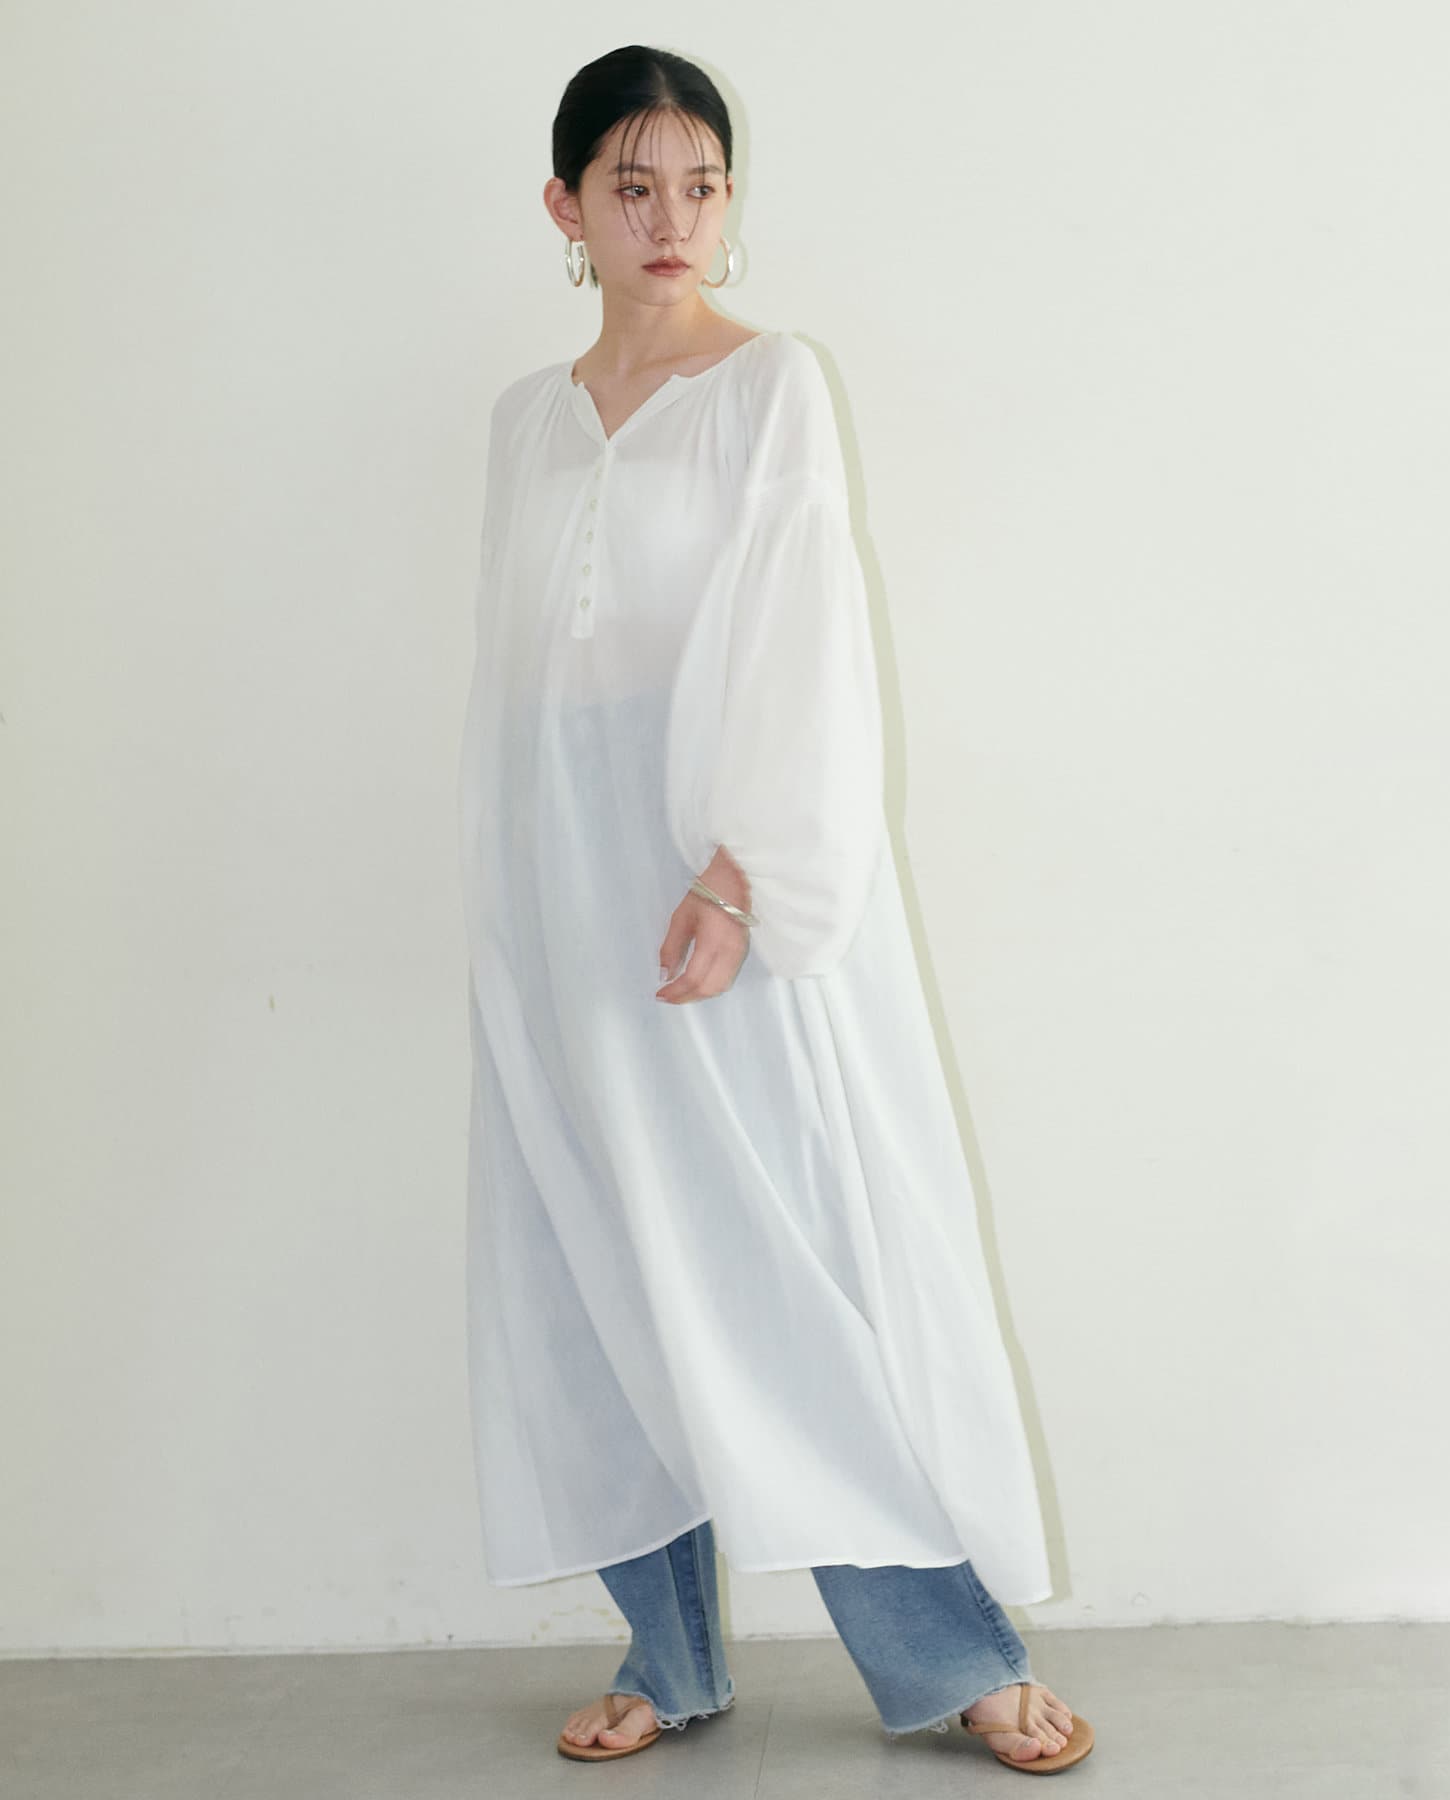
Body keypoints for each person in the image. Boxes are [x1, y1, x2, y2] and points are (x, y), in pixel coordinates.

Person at [456, 44, 1093, 1773]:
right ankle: (668, 1654)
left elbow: (807, 640)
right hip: (556, 886)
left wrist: (744, 869)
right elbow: (517, 686)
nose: (670, 218)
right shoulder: (524, 421)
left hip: (715, 876)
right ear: (566, 208)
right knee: (595, 1255)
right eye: (632, 186)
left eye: (701, 184)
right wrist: (513, 912)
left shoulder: (769, 386)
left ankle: (950, 1655)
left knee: (780, 1261)